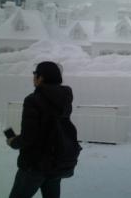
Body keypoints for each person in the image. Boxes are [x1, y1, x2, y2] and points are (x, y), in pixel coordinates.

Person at [7, 61, 79, 198]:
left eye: (35, 74)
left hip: (34, 164)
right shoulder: (65, 99)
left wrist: (13, 142)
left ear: (41, 78)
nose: (33, 77)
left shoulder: (33, 100)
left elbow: (29, 137)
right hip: (56, 162)